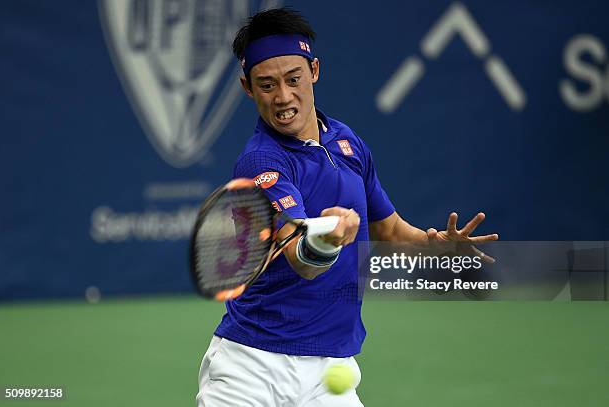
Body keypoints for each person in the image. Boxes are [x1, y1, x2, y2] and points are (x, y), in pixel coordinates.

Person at [196, 7, 498, 407]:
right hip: (251, 367)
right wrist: (328, 237)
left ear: (314, 71)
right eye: (267, 85)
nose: (283, 97)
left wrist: (435, 244)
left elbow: (388, 229)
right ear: (247, 88)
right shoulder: (261, 163)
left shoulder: (347, 142)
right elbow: (300, 257)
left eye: (294, 79)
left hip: (330, 371)